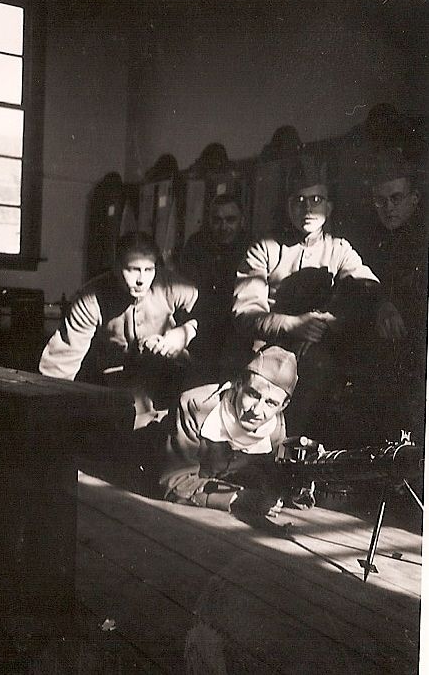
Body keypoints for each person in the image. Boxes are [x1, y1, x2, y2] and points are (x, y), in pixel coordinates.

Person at [232, 153, 385, 439]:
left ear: (329, 206)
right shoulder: (264, 248)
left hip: (319, 354)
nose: (308, 208)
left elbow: (367, 286)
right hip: (268, 354)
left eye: (316, 199)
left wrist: (324, 321)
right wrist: (293, 325)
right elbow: (245, 312)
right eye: (299, 200)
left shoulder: (338, 248)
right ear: (288, 205)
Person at [40, 231, 199, 415]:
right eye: (133, 269)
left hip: (169, 374)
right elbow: (61, 363)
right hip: (114, 382)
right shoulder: (91, 299)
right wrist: (50, 409)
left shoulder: (172, 286)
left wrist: (186, 331)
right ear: (116, 267)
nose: (141, 280)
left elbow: (207, 316)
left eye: (149, 270)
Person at [159, 345, 312, 516]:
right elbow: (175, 484)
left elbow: (265, 480)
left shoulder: (275, 428)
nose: (257, 410)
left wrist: (294, 490)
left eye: (271, 403)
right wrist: (238, 498)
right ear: (238, 384)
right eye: (253, 394)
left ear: (283, 405)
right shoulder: (195, 406)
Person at [366, 148, 428, 441]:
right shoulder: (373, 241)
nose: (388, 208)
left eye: (396, 198)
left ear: (414, 199)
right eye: (380, 201)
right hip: (386, 343)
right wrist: (382, 303)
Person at [178, 191, 250, 381]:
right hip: (202, 326)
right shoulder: (196, 245)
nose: (223, 227)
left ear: (242, 221)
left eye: (230, 220)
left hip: (236, 329)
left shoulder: (251, 246)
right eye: (217, 220)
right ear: (209, 221)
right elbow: (185, 288)